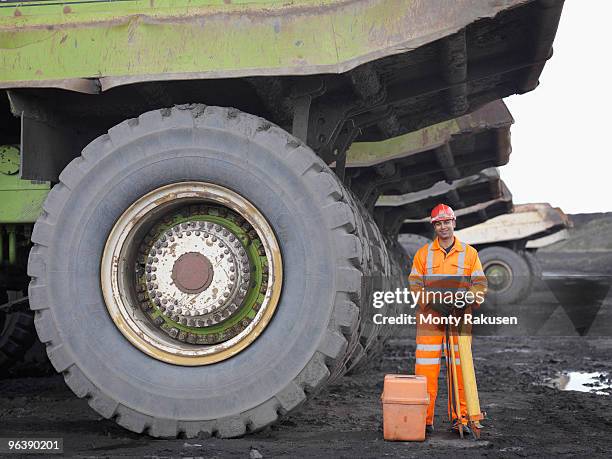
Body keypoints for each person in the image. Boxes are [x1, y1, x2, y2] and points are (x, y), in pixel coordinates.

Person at [408, 204, 487, 435]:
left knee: (461, 368)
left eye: (447, 222)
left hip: (459, 317)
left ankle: (461, 418)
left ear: (454, 223)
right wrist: (431, 302)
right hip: (430, 319)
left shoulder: (470, 253)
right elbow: (414, 284)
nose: (443, 227)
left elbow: (480, 284)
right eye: (439, 223)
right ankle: (424, 419)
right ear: (434, 226)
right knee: (425, 371)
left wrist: (468, 299)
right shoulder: (423, 254)